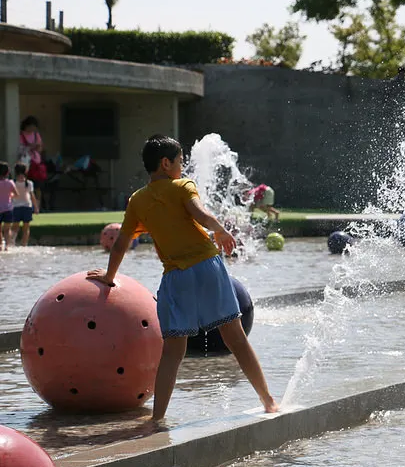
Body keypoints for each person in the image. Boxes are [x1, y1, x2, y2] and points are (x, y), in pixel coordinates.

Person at [87, 135, 279, 422]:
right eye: (179, 161)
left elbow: (121, 243)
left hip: (175, 278)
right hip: (206, 268)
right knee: (236, 339)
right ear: (166, 163)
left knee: (172, 352)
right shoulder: (182, 186)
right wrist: (219, 230)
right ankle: (268, 402)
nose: (183, 166)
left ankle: (157, 418)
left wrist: (109, 277)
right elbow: (200, 214)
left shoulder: (137, 200)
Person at [17, 116, 47, 204]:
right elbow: (20, 149)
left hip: (36, 163)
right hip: (26, 163)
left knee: (38, 186)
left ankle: (37, 206)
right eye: (30, 127)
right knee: (26, 186)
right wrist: (30, 146)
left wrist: (38, 147)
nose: (32, 129)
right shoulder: (21, 135)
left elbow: (40, 148)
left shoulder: (36, 135)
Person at [10, 163, 38, 247]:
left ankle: (11, 243)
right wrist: (36, 207)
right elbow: (32, 196)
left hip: (16, 207)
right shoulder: (29, 183)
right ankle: (24, 245)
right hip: (27, 206)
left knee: (15, 227)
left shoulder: (13, 182)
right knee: (26, 229)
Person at [0, 162, 18, 251]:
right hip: (8, 208)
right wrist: (10, 195)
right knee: (7, 229)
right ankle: (7, 246)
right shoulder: (10, 183)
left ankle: (0, 245)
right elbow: (16, 194)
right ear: (7, 173)